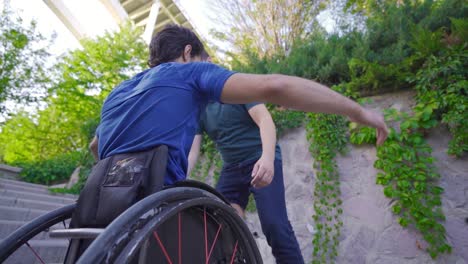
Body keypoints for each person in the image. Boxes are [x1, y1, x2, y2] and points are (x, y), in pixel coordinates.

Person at [90, 23, 388, 193]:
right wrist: (358, 112)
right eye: (205, 61)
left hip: (102, 199)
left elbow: (96, 145)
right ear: (187, 52)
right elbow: (277, 86)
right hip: (155, 201)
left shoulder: (118, 92)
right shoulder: (189, 72)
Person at [187, 51, 304, 261]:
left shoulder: (236, 85)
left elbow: (265, 120)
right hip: (232, 168)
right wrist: (180, 178)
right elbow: (193, 150)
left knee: (275, 225)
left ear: (209, 62)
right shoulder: (198, 106)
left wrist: (267, 158)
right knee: (218, 220)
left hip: (260, 157)